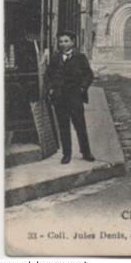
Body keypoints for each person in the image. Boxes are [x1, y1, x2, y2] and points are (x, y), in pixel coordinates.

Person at [45, 30, 95, 164]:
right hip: (60, 98)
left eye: (66, 41)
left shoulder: (80, 58)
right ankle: (66, 154)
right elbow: (48, 75)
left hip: (75, 97)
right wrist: (50, 88)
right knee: (63, 126)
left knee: (80, 125)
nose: (63, 44)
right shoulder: (55, 58)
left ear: (73, 42)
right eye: (60, 41)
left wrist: (82, 87)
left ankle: (86, 152)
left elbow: (88, 75)